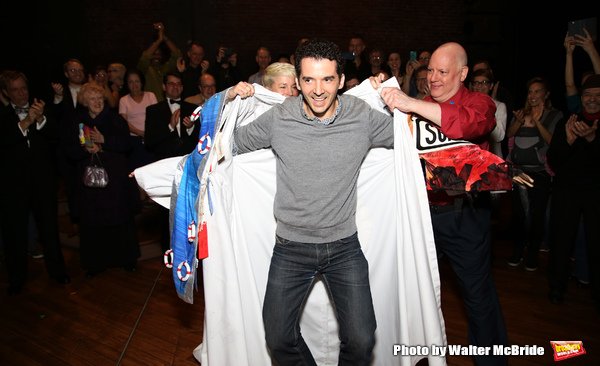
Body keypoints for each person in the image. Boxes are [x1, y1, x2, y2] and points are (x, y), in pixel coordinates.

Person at [232, 39, 395, 365]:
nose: (318, 89)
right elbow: (230, 142)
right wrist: (231, 100)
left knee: (362, 340)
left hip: (344, 247)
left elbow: (408, 139)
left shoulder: (361, 116)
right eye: (308, 80)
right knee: (278, 338)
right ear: (297, 81)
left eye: (327, 79)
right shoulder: (280, 117)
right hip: (291, 247)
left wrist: (390, 97)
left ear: (340, 79)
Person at [377, 42, 508, 366]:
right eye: (431, 70)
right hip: (421, 214)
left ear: (463, 74)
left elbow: (470, 125)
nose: (432, 78)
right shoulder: (415, 105)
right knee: (414, 293)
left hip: (464, 215)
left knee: (477, 298)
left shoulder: (479, 102)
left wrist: (410, 105)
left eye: (442, 72)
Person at [0, 70, 70, 295]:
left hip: (42, 182)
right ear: (6, 93)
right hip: (13, 185)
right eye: (15, 90)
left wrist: (39, 120)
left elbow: (56, 135)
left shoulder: (42, 109)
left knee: (49, 228)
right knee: (15, 234)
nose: (21, 93)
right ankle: (17, 279)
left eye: (24, 88)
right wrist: (27, 121)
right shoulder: (2, 116)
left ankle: (58, 272)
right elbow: (6, 141)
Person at [64, 82, 140, 277]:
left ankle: (127, 260)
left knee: (120, 220)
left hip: (115, 183)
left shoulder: (115, 120)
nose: (97, 102)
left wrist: (104, 141)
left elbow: (126, 145)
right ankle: (95, 263)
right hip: (90, 184)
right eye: (92, 99)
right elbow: (68, 152)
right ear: (84, 102)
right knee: (92, 223)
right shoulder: (76, 123)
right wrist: (85, 149)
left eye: (100, 98)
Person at [547, 74, 600, 310]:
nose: (592, 100)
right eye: (588, 95)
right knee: (561, 240)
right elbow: (553, 160)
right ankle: (557, 288)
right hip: (566, 192)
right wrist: (567, 141)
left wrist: (592, 140)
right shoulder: (568, 120)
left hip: (596, 194)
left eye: (598, 96)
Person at [506, 77, 562, 271]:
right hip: (518, 171)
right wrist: (519, 122)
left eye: (537, 92)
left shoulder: (554, 115)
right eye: (530, 92)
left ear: (546, 95)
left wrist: (537, 123)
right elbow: (509, 135)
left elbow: (553, 141)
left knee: (537, 215)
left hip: (540, 174)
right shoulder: (521, 113)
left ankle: (532, 254)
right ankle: (518, 250)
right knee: (519, 215)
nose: (532, 95)